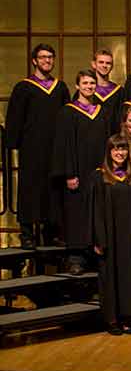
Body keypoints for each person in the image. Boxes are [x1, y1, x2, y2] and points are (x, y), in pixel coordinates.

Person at [5, 44, 70, 248]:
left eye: (50, 57)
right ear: (34, 60)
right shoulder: (23, 87)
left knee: (52, 189)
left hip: (54, 147)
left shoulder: (60, 88)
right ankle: (26, 233)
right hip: (31, 148)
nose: (47, 61)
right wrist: (13, 143)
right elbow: (14, 118)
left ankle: (50, 232)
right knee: (30, 188)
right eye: (42, 57)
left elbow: (66, 118)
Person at [52, 69, 110, 272]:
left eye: (92, 84)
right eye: (85, 83)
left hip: (97, 172)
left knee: (96, 211)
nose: (89, 87)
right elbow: (64, 146)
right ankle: (75, 257)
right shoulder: (68, 112)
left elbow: (108, 144)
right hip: (77, 172)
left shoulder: (101, 111)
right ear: (77, 86)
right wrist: (69, 173)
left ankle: (94, 254)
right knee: (77, 213)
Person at [89, 134, 131, 335]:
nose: (120, 153)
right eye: (115, 149)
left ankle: (128, 318)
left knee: (129, 277)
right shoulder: (99, 176)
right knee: (110, 277)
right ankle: (112, 320)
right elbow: (95, 210)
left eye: (123, 149)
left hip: (129, 236)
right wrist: (99, 238)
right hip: (109, 236)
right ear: (109, 152)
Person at [92, 49, 124, 128]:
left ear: (112, 66)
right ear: (93, 64)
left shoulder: (120, 92)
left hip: (114, 138)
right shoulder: (86, 91)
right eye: (101, 62)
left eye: (108, 63)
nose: (104, 65)